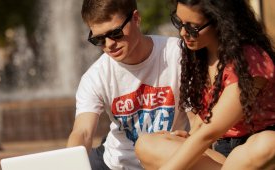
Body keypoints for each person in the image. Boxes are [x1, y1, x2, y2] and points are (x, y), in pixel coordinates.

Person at [135, 0, 275, 169]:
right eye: (179, 22)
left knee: (268, 143)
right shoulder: (200, 55)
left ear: (221, 22)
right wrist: (189, 137)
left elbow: (210, 132)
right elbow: (202, 124)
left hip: (254, 153)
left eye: (193, 27)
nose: (183, 32)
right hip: (222, 155)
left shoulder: (250, 60)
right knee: (146, 144)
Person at [66, 0, 190, 169]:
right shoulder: (95, 76)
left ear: (136, 19)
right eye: (99, 39)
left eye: (116, 33)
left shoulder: (178, 55)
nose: (109, 44)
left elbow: (198, 124)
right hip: (113, 163)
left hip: (166, 161)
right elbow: (83, 132)